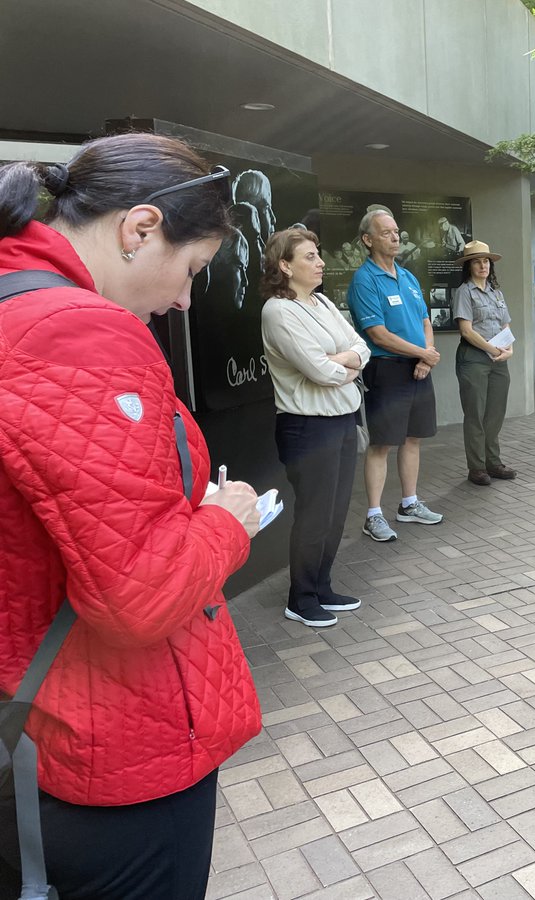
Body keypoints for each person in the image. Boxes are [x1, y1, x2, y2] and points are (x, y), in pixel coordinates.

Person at [0, 134, 262, 898]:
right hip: (114, 748)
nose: (184, 299)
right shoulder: (79, 334)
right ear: (139, 228)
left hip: (41, 729)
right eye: (191, 270)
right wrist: (226, 522)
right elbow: (139, 592)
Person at [261, 229, 370, 628]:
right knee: (314, 515)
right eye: (310, 256)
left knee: (336, 511)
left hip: (341, 420)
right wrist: (343, 363)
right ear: (285, 266)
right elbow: (320, 372)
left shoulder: (322, 301)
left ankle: (322, 586)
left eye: (318, 254)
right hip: (307, 427)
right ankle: (301, 598)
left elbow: (363, 348)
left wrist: (341, 360)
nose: (321, 262)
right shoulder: (278, 311)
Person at [347, 210, 443, 541]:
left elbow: (425, 323)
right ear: (367, 240)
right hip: (386, 369)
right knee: (383, 442)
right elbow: (378, 334)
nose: (395, 237)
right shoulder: (364, 279)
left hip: (418, 368)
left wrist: (426, 358)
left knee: (413, 438)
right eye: (386, 232)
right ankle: (373, 515)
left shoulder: (408, 277)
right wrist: (421, 353)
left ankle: (409, 504)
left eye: (396, 231)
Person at [452, 241, 516, 485]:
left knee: (495, 413)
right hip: (474, 359)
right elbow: (467, 331)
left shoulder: (496, 293)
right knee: (475, 414)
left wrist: (509, 350)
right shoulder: (464, 292)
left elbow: (505, 325)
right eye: (477, 261)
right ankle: (476, 467)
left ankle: (493, 462)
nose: (483, 265)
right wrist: (493, 349)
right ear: (469, 266)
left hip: (498, 359)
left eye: (486, 261)